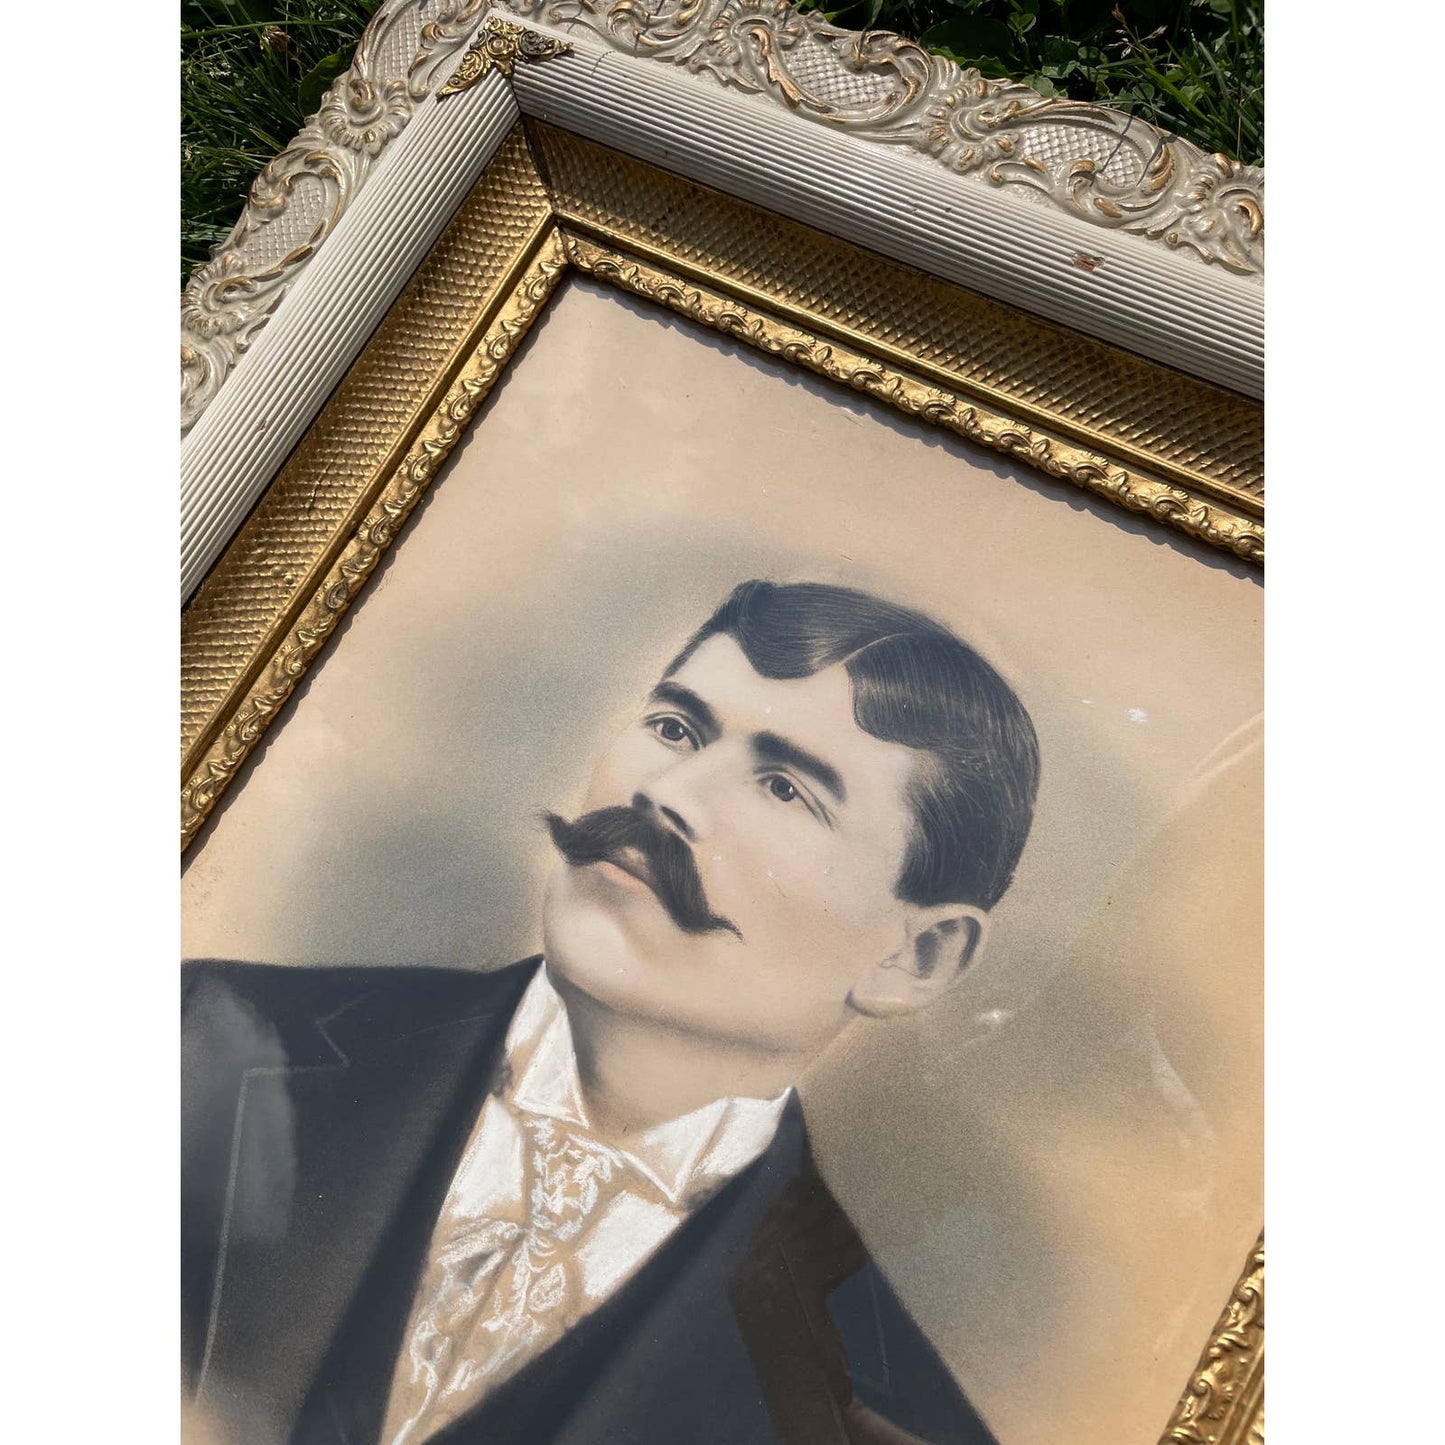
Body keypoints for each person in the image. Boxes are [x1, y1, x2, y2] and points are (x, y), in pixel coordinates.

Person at [182, 579, 1040, 1445]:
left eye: (784, 788)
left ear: (915, 957)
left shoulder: (888, 1422)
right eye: (675, 728)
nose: (667, 794)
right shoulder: (193, 1036)